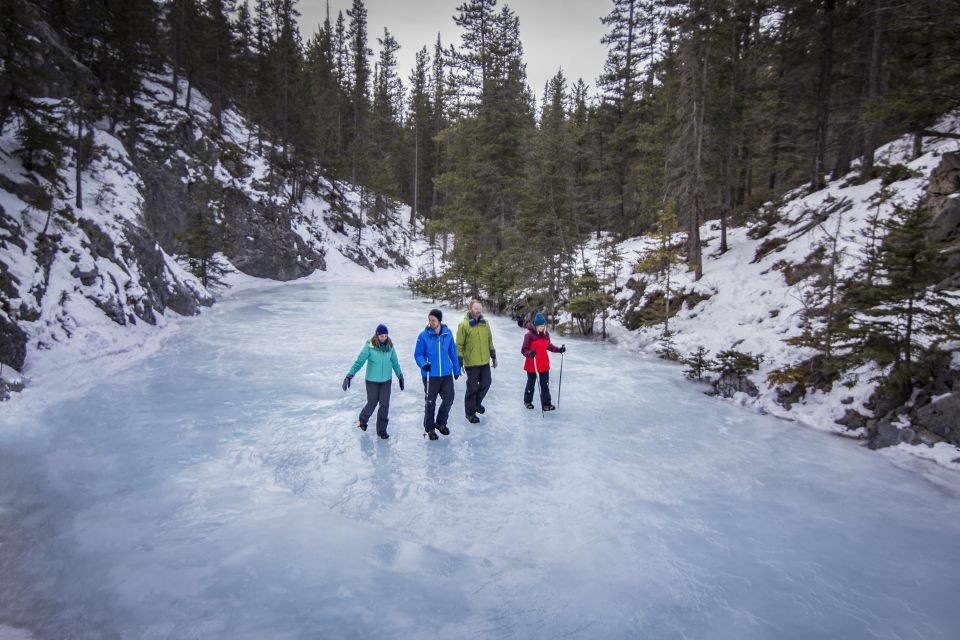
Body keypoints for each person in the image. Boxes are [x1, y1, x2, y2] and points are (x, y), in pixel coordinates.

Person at [342, 324, 404, 439]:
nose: (384, 338)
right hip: (372, 381)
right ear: (377, 335)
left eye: (385, 335)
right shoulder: (370, 346)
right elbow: (359, 362)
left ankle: (382, 431)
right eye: (381, 336)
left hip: (386, 381)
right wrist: (349, 376)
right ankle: (363, 419)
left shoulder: (390, 347)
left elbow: (395, 362)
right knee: (372, 402)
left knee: (384, 405)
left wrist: (400, 376)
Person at [414, 308, 462, 440]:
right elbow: (418, 354)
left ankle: (440, 422)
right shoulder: (423, 336)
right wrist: (424, 364)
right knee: (430, 402)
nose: (431, 322)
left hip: (446, 373)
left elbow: (453, 352)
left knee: (449, 398)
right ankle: (429, 428)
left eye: (433, 320)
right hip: (430, 374)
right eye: (429, 320)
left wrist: (456, 370)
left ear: (439, 320)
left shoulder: (447, 333)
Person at [456, 299, 497, 424]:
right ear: (470, 309)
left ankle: (477, 403)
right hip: (471, 362)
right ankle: (470, 413)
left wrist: (493, 355)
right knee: (472, 388)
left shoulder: (485, 323)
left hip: (484, 360)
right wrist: (460, 360)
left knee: (487, 382)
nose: (478, 311)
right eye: (476, 308)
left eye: (480, 308)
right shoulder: (463, 325)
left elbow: (489, 340)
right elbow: (459, 344)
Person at [520, 312, 566, 411]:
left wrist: (559, 350)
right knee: (531, 384)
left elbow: (549, 346)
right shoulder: (529, 335)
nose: (541, 327)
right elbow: (524, 350)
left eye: (543, 325)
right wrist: (530, 353)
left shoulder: (546, 334)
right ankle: (527, 401)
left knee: (545, 385)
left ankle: (546, 404)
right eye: (539, 325)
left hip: (544, 364)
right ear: (535, 325)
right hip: (532, 365)